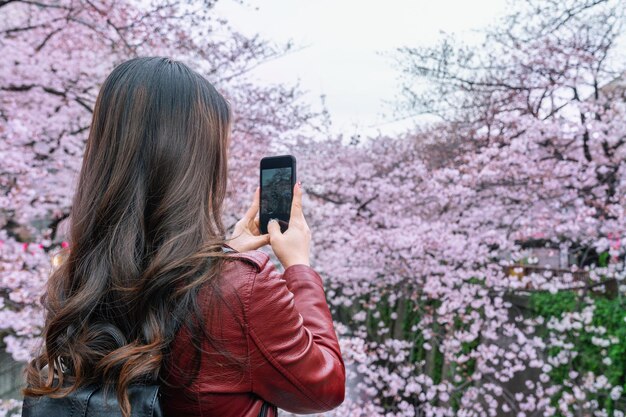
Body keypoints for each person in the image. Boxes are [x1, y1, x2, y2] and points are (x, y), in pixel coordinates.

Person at [22, 57, 346, 417]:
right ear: (197, 162)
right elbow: (323, 388)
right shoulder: (241, 286)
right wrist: (299, 267)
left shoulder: (77, 275)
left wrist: (226, 254)